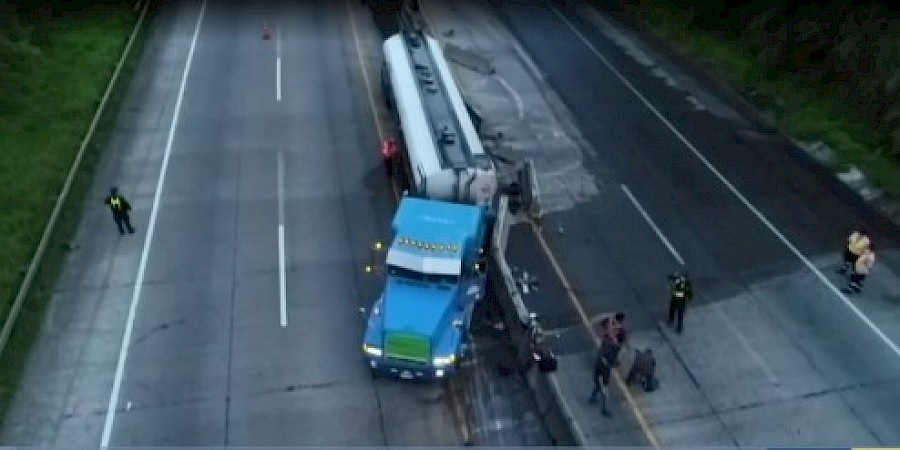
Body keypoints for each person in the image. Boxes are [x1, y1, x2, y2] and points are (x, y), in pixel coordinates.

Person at [587, 335, 617, 417]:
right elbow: (600, 374)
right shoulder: (603, 362)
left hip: (601, 377)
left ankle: (592, 398)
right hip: (601, 379)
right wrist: (603, 385)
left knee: (597, 388)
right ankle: (604, 410)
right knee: (605, 395)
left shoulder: (604, 349)